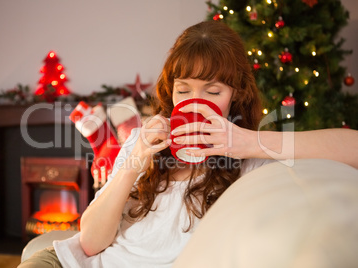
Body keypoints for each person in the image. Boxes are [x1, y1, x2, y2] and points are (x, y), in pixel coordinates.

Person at [18, 20, 358, 268]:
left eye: (212, 91)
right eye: (183, 89)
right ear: (171, 90)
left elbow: (351, 148)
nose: (195, 102)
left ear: (235, 95)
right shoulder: (144, 141)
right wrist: (135, 159)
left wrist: (249, 141)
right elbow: (90, 242)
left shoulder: (249, 157)